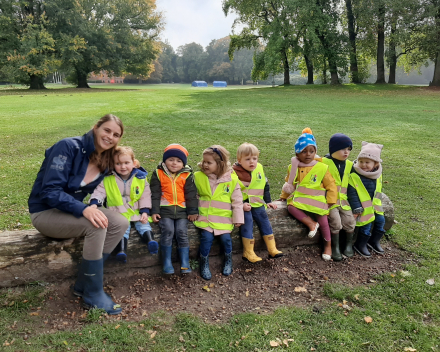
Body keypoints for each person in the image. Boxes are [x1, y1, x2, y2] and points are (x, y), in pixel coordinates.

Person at [28, 114, 128, 315]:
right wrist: (83, 209)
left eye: (116, 135)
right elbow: (49, 192)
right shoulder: (68, 147)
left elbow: (124, 169)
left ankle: (83, 282)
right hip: (45, 212)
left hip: (71, 209)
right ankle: (92, 293)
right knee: (95, 224)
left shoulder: (107, 158)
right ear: (96, 127)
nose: (110, 137)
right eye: (107, 130)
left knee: (119, 222)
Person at [89, 146, 157, 263]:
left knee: (143, 224)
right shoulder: (108, 178)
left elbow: (145, 195)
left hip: (136, 211)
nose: (123, 166)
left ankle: (150, 241)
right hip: (118, 212)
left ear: (134, 163)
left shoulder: (140, 178)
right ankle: (121, 251)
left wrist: (145, 211)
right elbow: (99, 191)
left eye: (126, 163)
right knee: (122, 229)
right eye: (118, 163)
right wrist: (95, 202)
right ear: (112, 164)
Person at [279, 128, 337, 261]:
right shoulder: (293, 167)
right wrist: (283, 196)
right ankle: (311, 223)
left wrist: (331, 201)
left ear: (315, 152)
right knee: (291, 207)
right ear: (297, 154)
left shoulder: (322, 167)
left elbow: (331, 185)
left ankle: (328, 245)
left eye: (311, 151)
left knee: (324, 222)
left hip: (318, 200)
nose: (308, 154)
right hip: (302, 199)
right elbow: (290, 184)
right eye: (303, 151)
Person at [194, 145, 244, 280]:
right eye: (204, 161)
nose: (205, 165)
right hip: (205, 218)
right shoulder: (198, 177)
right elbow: (193, 196)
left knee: (226, 240)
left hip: (223, 219)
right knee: (206, 239)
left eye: (209, 162)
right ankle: (204, 263)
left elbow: (237, 201)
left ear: (220, 164)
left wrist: (238, 218)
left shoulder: (232, 180)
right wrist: (193, 211)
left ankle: (228, 260)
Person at [150, 144, 198, 274]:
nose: (174, 163)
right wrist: (154, 211)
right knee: (168, 232)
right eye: (171, 160)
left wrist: (192, 211)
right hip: (165, 210)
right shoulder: (158, 174)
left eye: (178, 161)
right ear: (165, 160)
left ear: (183, 163)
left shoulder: (187, 175)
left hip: (182, 210)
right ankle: (166, 262)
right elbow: (154, 194)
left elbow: (191, 194)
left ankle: (185, 262)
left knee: (182, 232)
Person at [232, 143, 283, 262]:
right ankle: (248, 252)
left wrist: (268, 201)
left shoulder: (259, 168)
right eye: (248, 159)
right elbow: (230, 192)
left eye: (254, 158)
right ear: (239, 160)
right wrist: (240, 205)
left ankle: (272, 249)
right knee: (247, 220)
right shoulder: (233, 173)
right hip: (242, 204)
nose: (252, 162)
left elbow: (265, 186)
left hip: (257, 203)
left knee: (264, 219)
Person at [322, 134, 356, 261]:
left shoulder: (349, 165)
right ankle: (335, 247)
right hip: (329, 201)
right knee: (335, 222)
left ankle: (348, 245)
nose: (346, 152)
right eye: (343, 149)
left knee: (350, 222)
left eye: (349, 149)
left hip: (344, 201)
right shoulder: (324, 163)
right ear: (333, 149)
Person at [347, 142, 385, 257]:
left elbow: (378, 190)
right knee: (367, 224)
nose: (363, 165)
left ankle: (374, 241)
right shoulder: (355, 175)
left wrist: (377, 204)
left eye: (367, 162)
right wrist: (356, 207)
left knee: (381, 221)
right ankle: (360, 244)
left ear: (375, 163)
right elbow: (352, 193)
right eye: (361, 161)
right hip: (363, 208)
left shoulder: (378, 175)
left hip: (375, 205)